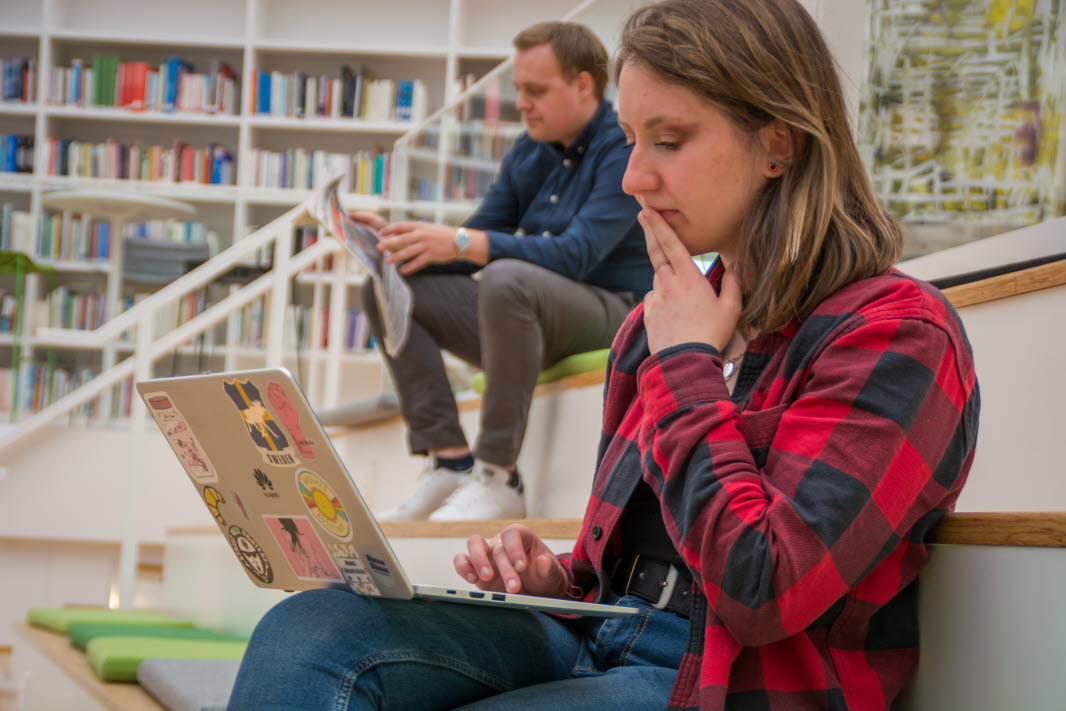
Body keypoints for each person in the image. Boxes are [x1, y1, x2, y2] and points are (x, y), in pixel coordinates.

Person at [228, 0, 980, 709]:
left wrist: (687, 364)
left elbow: (763, 588)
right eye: (630, 139)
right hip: (605, 634)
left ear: (777, 142)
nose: (632, 178)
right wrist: (552, 574)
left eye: (670, 141)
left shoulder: (896, 334)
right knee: (310, 630)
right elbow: (605, 573)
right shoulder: (649, 330)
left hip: (722, 678)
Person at [357, 21, 652, 522]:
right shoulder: (528, 151)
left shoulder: (622, 147)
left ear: (583, 85)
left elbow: (575, 254)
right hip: (528, 315)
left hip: (617, 315)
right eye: (518, 89)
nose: (522, 103)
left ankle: (498, 474)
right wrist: (397, 242)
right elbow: (475, 240)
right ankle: (450, 462)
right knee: (389, 284)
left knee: (505, 277)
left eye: (536, 90)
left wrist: (462, 243)